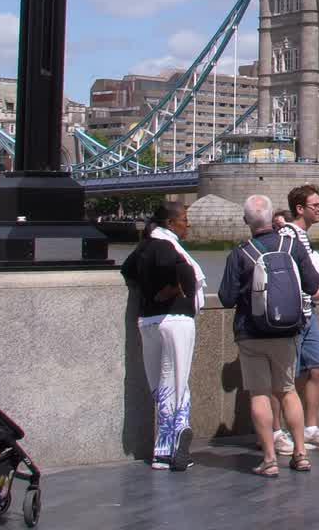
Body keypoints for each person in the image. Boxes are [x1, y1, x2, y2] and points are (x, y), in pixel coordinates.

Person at [217, 193, 319, 477]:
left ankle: (269, 460)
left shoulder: (240, 253)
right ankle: (300, 455)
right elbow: (312, 285)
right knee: (288, 391)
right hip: (287, 331)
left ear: (246, 221)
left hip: (250, 334)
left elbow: (226, 298)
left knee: (259, 394)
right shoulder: (293, 246)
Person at [119, 201, 203, 472]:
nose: (187, 224)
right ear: (170, 224)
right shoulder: (169, 247)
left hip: (148, 321)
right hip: (176, 320)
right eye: (184, 218)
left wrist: (151, 291)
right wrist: (176, 290)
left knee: (160, 385)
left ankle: (161, 451)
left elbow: (127, 271)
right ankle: (176, 444)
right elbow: (186, 275)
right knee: (178, 383)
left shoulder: (143, 247)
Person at [272, 185, 319, 454]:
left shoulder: (305, 238)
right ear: (300, 209)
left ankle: (311, 429)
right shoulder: (287, 236)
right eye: (316, 206)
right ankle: (277, 432)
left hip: (309, 312)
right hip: (291, 316)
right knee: (284, 377)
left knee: (318, 369)